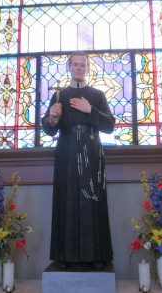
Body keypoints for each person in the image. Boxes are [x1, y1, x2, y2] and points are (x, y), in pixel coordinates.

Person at [42, 51, 115, 270]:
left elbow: (110, 126)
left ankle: (96, 256)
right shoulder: (59, 95)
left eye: (82, 64)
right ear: (69, 67)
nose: (79, 68)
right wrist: (53, 118)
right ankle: (64, 255)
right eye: (75, 64)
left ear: (87, 68)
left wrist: (90, 110)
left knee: (92, 200)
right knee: (66, 199)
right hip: (65, 150)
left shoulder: (97, 94)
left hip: (91, 149)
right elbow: (47, 129)